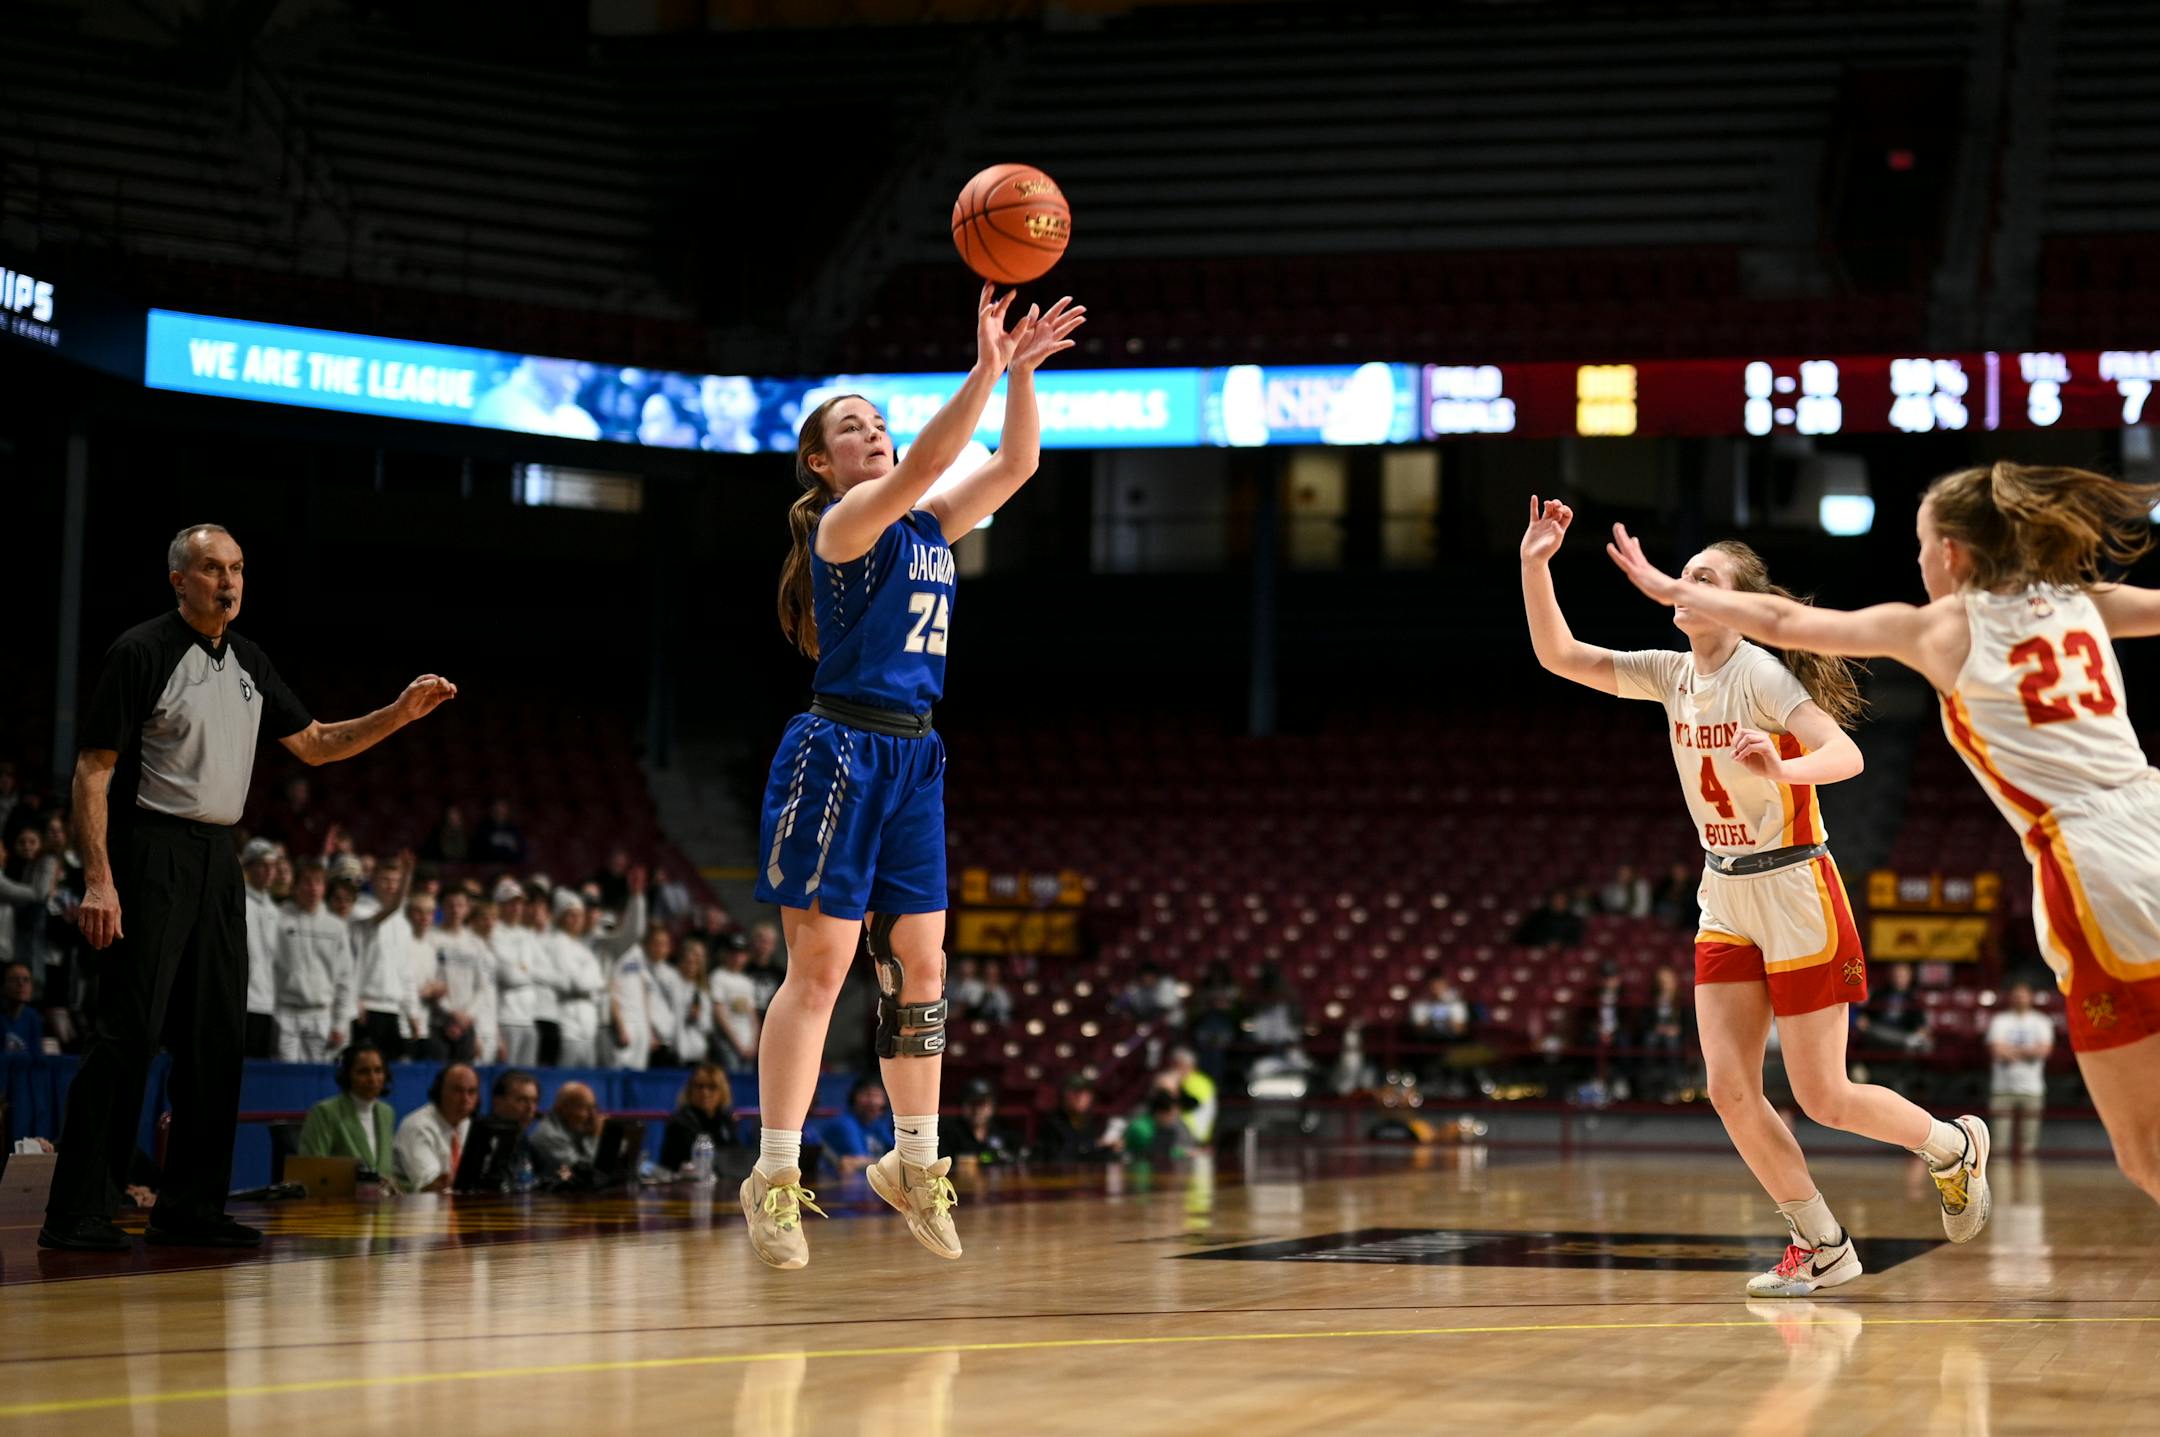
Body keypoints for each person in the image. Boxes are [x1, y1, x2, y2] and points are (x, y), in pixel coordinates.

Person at [1611, 462, 2160, 1205]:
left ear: (1955, 555)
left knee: (2147, 1150)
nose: (1919, 560)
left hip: (2094, 862)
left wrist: (1671, 585)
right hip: (2152, 810)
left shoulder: (1941, 625)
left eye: (1922, 545)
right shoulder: (2079, 599)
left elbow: (1781, 622)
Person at [1524, 496, 1988, 1299]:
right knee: (1728, 1085)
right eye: (1686, 575)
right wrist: (1536, 565)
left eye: (1704, 577)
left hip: (1796, 884)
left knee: (1823, 1096)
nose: (1685, 587)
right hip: (1724, 889)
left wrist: (1781, 769)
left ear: (1733, 601)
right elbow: (1561, 656)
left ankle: (1950, 1144)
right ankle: (1820, 1240)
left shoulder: (1761, 672)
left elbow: (1844, 755)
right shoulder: (1672, 674)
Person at [739, 283, 1085, 1272]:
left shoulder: (930, 525)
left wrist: (1019, 376)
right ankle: (771, 1172)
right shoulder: (844, 526)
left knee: (922, 972)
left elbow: (1014, 463)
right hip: (838, 751)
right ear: (822, 461)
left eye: (880, 422)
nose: (876, 433)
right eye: (855, 426)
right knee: (821, 971)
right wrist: (982, 365)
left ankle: (914, 1160)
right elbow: (938, 456)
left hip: (914, 755)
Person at [40, 523, 455, 1252]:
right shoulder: (141, 650)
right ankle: (76, 1208)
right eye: (209, 568)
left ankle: (190, 1207)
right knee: (127, 1036)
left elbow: (319, 743)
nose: (227, 580)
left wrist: (397, 713)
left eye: (236, 567)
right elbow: (93, 769)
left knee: (216, 1040)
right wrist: (100, 879)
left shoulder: (250, 662)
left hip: (216, 857)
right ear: (179, 580)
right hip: (151, 848)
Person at [271, 858, 355, 1063]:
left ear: (324, 887)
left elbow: (345, 978)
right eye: (307, 882)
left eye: (318, 882)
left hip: (321, 1016)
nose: (313, 888)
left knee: (316, 1081)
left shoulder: (336, 926)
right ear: (295, 886)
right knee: (285, 1079)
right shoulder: (278, 920)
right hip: (285, 1014)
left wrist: (340, 1023)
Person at [297, 1041, 396, 1173]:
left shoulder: (387, 1113)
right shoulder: (325, 1112)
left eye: (378, 1070)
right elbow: (311, 1172)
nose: (373, 1079)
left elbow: (386, 1171)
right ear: (348, 1075)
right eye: (363, 1072)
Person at [1986, 982, 2054, 1158]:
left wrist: (2011, 1051)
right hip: (2002, 1088)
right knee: (1999, 1144)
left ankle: (2029, 1177)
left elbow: (2045, 1050)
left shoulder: (2042, 1021)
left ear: (2030, 997)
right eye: (2016, 995)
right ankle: (2000, 1180)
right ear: (2011, 998)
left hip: (2032, 1088)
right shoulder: (2000, 1020)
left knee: (2028, 1146)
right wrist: (2028, 1051)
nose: (2020, 999)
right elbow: (1996, 1049)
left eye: (2023, 995)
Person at [392, 1062, 478, 1194]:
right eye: (457, 1090)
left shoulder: (467, 1124)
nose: (465, 1099)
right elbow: (431, 1186)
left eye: (471, 1092)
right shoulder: (418, 1126)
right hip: (414, 1209)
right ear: (440, 1090)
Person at [486, 879, 543, 1066]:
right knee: (506, 1078)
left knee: (528, 1078)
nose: (517, 907)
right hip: (506, 1018)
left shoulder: (528, 935)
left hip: (528, 1019)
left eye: (520, 903)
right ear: (499, 906)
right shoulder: (493, 933)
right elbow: (508, 976)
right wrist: (527, 971)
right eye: (511, 903)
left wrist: (523, 971)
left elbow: (543, 972)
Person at [239, 837, 282, 1057]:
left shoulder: (275, 910)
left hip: (271, 1004)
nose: (269, 871)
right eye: (263, 865)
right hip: (245, 1004)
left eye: (273, 865)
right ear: (249, 867)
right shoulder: (239, 903)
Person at [660, 1062, 739, 1171]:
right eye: (699, 1086)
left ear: (722, 1092)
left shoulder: (726, 1120)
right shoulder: (679, 1122)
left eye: (712, 1087)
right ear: (690, 1090)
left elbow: (735, 1158)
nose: (705, 1092)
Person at [815, 1078, 895, 1180]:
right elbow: (855, 1163)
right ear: (853, 1098)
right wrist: (894, 1162)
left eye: (877, 1096)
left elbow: (897, 1154)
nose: (873, 1102)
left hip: (867, 1180)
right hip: (836, 1183)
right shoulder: (844, 1124)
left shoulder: (878, 1123)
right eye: (867, 1095)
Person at [1032, 1074, 1114, 1163]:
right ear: (1064, 1095)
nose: (1082, 1098)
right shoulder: (1052, 1123)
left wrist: (1108, 1148)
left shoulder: (1089, 1122)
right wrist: (1094, 1145)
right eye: (1076, 1092)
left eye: (1086, 1093)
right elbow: (1059, 1158)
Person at [938, 1077, 1020, 1165]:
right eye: (972, 1104)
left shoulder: (1002, 1131)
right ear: (963, 1105)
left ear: (992, 1106)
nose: (977, 1110)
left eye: (982, 1104)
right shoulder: (949, 1133)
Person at [707, 934, 761, 1064]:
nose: (737, 957)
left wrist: (754, 1042)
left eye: (741, 953)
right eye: (733, 953)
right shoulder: (718, 977)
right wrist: (738, 1044)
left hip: (748, 1043)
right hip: (727, 1042)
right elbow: (719, 1013)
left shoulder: (747, 981)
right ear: (726, 954)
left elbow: (752, 1015)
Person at [530, 1081, 603, 1175]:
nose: (593, 1116)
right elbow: (586, 1174)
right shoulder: (549, 1135)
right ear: (564, 1108)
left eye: (594, 1107)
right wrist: (595, 1136)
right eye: (586, 1108)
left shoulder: (573, 1127)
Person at [3, 959, 43, 1054]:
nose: (21, 984)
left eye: (26, 980)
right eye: (14, 980)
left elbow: (36, 1056)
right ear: (3, 986)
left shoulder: (33, 1017)